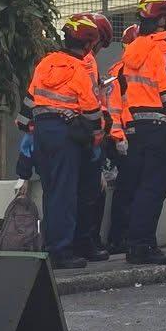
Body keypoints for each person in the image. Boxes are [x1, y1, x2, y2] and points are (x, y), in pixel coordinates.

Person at [21, 15, 104, 270]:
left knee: (52, 192)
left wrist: (27, 131)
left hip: (42, 133)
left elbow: (29, 99)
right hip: (65, 134)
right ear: (89, 45)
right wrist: (95, 137)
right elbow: (91, 110)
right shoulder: (80, 69)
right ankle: (61, 251)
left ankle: (52, 245)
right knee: (66, 195)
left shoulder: (46, 62)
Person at [117, 0, 166, 266]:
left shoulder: (131, 51)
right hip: (159, 127)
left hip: (137, 129)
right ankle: (142, 247)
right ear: (162, 19)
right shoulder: (162, 49)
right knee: (153, 189)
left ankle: (135, 243)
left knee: (140, 189)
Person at [71, 15, 115, 263]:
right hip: (88, 133)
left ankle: (84, 242)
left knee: (83, 192)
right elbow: (90, 99)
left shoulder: (69, 60)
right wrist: (100, 129)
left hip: (78, 131)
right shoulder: (87, 62)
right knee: (91, 193)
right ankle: (87, 242)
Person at [103, 23, 139, 255]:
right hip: (125, 138)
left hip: (135, 136)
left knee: (134, 189)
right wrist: (119, 139)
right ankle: (119, 238)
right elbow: (114, 110)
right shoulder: (120, 74)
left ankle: (127, 237)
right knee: (127, 189)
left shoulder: (135, 71)